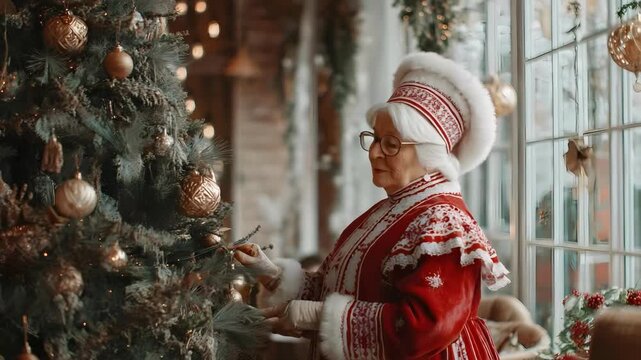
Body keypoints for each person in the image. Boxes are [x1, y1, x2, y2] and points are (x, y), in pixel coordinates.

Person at [235, 52, 510, 360]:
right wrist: (271, 273)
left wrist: (313, 316)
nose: (375, 153)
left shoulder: (445, 223)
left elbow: (426, 327)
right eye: (375, 139)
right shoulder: (386, 212)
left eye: (391, 144)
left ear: (430, 155)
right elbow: (337, 290)